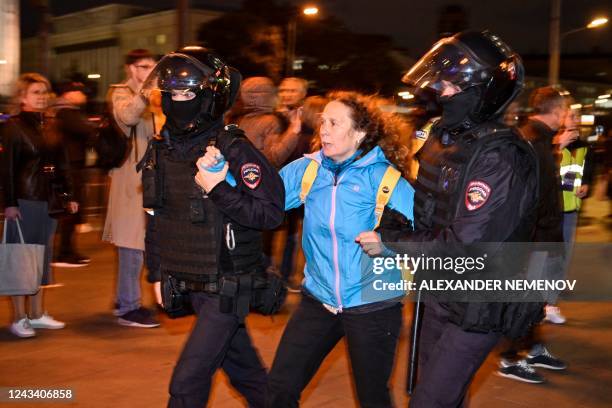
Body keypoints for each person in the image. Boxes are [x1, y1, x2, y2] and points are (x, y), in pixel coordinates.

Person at [358, 31, 543, 407]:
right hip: (438, 292)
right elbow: (426, 203)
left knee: (430, 400)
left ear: (480, 91)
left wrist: (391, 242)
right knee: (442, 394)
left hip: (479, 302)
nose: (440, 93)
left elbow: (466, 243)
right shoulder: (445, 139)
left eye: (448, 86)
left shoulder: (501, 157)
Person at [145, 46, 285, 407]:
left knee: (186, 384)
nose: (178, 102)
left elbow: (270, 214)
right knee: (247, 374)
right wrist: (156, 273)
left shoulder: (233, 148)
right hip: (189, 278)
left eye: (188, 93)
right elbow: (158, 217)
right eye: (172, 94)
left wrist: (218, 188)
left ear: (210, 96)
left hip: (227, 286)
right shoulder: (164, 149)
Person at [264, 91, 415, 407]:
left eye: (335, 123)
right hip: (319, 299)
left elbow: (427, 238)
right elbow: (262, 200)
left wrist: (385, 243)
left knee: (372, 398)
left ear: (359, 133)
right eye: (323, 122)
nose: (325, 130)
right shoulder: (308, 170)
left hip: (373, 305)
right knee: (279, 388)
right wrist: (222, 179)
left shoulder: (385, 179)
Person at [497, 86, 571, 383]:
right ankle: (510, 358)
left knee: (535, 297)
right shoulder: (531, 140)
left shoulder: (539, 139)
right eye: (565, 111)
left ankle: (532, 348)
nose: (566, 117)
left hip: (541, 237)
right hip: (534, 240)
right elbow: (531, 198)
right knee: (524, 297)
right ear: (555, 111)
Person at [0, 73, 78, 338]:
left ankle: (37, 313)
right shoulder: (14, 127)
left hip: (48, 201)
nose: (42, 96)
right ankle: (19, 317)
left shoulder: (50, 124)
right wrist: (9, 204)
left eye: (44, 92)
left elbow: (61, 164)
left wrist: (68, 195)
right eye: (35, 92)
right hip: (24, 200)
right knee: (22, 260)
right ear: (22, 97)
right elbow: (7, 170)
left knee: (42, 260)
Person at [101, 49, 159, 328]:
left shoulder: (158, 94)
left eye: (152, 66)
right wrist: (146, 92)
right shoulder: (120, 93)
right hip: (129, 180)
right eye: (143, 66)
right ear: (130, 68)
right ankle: (128, 307)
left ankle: (127, 300)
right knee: (131, 245)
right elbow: (128, 117)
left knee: (148, 244)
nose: (149, 70)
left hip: (153, 179)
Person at [49, 81, 96, 267]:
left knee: (71, 210)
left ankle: (66, 251)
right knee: (71, 209)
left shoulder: (62, 111)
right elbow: (87, 130)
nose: (84, 96)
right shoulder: (67, 113)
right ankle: (64, 253)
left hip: (70, 165)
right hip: (70, 167)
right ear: (69, 94)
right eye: (80, 92)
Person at [225, 76, 302, 168]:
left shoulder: (236, 118)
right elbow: (274, 157)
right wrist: (293, 131)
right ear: (268, 96)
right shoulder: (270, 121)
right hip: (260, 175)